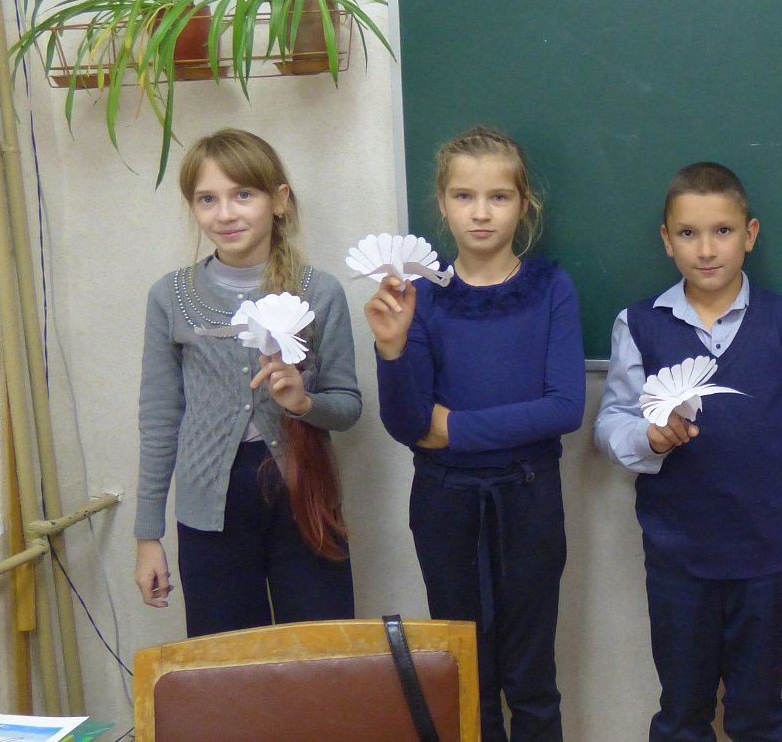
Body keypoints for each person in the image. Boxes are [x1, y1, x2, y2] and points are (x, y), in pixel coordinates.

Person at [594, 162, 782, 742]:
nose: (706, 249)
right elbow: (610, 423)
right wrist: (647, 437)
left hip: (766, 560)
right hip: (677, 559)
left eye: (723, 231)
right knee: (682, 713)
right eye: (688, 233)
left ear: (750, 234)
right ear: (666, 239)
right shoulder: (638, 325)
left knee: (758, 713)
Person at [365, 127, 583, 742]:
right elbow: (408, 425)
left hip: (529, 496)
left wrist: (455, 427)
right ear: (441, 204)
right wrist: (391, 347)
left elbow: (564, 407)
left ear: (524, 204)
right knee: (463, 675)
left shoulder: (551, 289)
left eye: (498, 197)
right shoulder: (421, 297)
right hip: (445, 501)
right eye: (464, 196)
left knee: (531, 675)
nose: (481, 212)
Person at [135, 128, 361, 637]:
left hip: (303, 494)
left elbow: (348, 406)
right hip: (209, 504)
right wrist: (148, 535)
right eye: (207, 199)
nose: (225, 213)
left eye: (243, 194)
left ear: (278, 200)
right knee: (227, 662)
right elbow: (160, 420)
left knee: (321, 653)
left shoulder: (319, 291)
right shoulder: (171, 296)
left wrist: (303, 402)